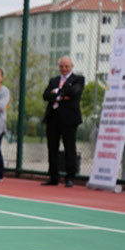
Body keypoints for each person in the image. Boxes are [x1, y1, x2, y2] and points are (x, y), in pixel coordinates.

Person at [42, 56, 84, 187]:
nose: (64, 69)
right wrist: (61, 95)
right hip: (53, 117)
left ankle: (70, 177)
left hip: (69, 119)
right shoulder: (54, 80)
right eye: (61, 66)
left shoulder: (78, 79)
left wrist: (57, 93)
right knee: (52, 147)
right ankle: (53, 176)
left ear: (71, 66)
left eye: (66, 66)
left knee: (69, 147)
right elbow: (46, 95)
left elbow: (73, 93)